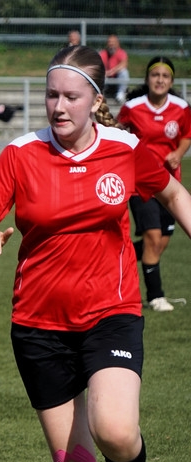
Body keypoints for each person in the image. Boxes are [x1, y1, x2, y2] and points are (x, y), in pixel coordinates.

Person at [0, 44, 191, 462]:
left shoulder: (124, 149)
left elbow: (174, 193)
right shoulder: (20, 154)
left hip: (111, 312)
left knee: (115, 430)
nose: (58, 107)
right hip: (38, 325)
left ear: (95, 100)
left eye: (70, 97)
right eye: (51, 96)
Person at [117, 56, 191, 312]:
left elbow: (186, 135)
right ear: (147, 79)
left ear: (171, 81)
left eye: (165, 76)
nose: (160, 80)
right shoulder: (132, 107)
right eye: (155, 75)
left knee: (159, 244)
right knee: (152, 237)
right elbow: (117, 132)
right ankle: (156, 296)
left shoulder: (181, 108)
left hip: (170, 186)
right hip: (140, 184)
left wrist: (178, 153)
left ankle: (114, 257)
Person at [99, 34, 129, 102]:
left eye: (113, 42)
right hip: (106, 79)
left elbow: (124, 64)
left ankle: (120, 94)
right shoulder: (103, 53)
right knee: (99, 73)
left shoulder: (122, 53)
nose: (111, 44)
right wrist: (105, 72)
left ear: (118, 43)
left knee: (124, 72)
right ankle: (100, 94)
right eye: (109, 42)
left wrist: (111, 71)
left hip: (116, 78)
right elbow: (98, 65)